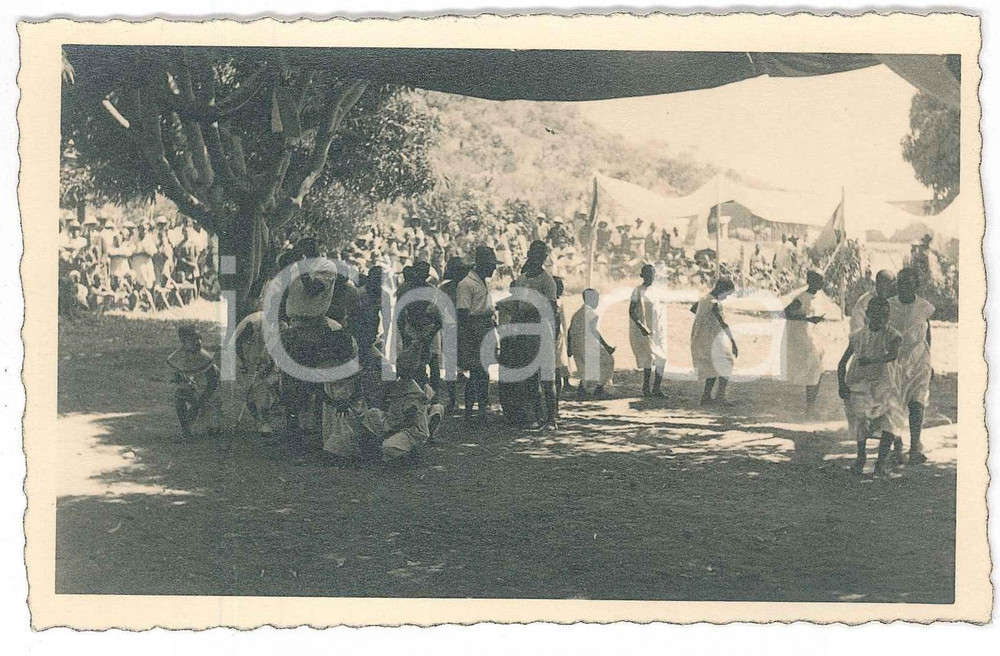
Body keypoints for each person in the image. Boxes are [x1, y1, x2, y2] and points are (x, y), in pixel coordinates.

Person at [837, 297, 904, 476]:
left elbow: (892, 355)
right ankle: (861, 457)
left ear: (888, 316)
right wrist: (841, 384)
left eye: (884, 315)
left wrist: (872, 360)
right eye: (876, 314)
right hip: (860, 383)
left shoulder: (893, 335)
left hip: (886, 384)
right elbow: (842, 362)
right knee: (860, 419)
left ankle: (880, 463)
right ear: (867, 314)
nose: (880, 319)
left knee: (890, 421)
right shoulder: (857, 336)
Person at [888, 267, 936, 464]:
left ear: (916, 285)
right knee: (895, 404)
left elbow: (927, 334)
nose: (904, 287)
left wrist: (930, 361)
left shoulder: (924, 307)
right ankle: (897, 446)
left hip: (919, 361)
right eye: (900, 283)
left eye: (908, 283)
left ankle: (915, 446)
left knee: (917, 402)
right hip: (896, 361)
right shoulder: (889, 305)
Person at [512, 240, 560, 429]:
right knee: (530, 376)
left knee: (547, 376)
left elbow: (551, 309)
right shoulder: (521, 279)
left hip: (541, 330)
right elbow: (517, 306)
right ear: (529, 255)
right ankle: (536, 415)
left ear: (544, 257)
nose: (537, 258)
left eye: (541, 255)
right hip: (525, 330)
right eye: (534, 254)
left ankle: (551, 418)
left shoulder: (547, 280)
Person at [456, 246, 498, 423]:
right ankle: (470, 412)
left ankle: (481, 409)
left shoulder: (483, 282)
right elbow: (463, 313)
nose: (493, 268)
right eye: (490, 265)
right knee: (476, 372)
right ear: (481, 265)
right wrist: (472, 336)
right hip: (473, 329)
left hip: (485, 327)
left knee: (483, 372)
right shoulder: (466, 284)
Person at [167, 324, 221, 442]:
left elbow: (213, 385)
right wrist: (182, 381)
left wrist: (196, 406)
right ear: (183, 341)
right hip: (196, 392)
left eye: (199, 338)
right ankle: (186, 431)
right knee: (179, 395)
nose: (198, 342)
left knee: (213, 431)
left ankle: (208, 421)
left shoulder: (206, 358)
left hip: (211, 396)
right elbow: (179, 379)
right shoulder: (179, 356)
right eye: (193, 339)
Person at [690, 277, 738, 405]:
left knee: (712, 366)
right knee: (727, 362)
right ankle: (720, 396)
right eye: (726, 294)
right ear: (721, 289)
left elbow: (693, 308)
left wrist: (705, 319)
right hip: (711, 338)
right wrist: (733, 342)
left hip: (702, 336)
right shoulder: (714, 303)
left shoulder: (704, 299)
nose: (726, 297)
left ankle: (706, 396)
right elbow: (723, 324)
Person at [782, 270, 826, 408]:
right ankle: (810, 406)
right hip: (802, 338)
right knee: (815, 369)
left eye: (822, 280)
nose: (821, 283)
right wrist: (807, 318)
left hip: (812, 337)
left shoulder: (817, 297)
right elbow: (785, 312)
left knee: (817, 370)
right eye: (818, 280)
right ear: (809, 281)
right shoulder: (801, 298)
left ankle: (811, 404)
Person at [567, 288, 615, 398]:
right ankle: (599, 388)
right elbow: (594, 331)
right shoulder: (591, 313)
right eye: (597, 299)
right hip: (586, 345)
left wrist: (569, 347)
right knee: (608, 360)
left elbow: (569, 331)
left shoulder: (577, 313)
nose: (598, 301)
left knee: (586, 366)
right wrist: (607, 346)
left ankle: (582, 389)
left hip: (577, 346)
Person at [629, 263, 667, 398]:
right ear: (642, 275)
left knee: (662, 358)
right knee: (648, 358)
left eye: (652, 274)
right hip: (644, 329)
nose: (650, 277)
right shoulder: (637, 290)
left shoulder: (657, 290)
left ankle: (656, 388)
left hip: (658, 329)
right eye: (647, 274)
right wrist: (641, 327)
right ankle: (646, 388)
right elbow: (632, 311)